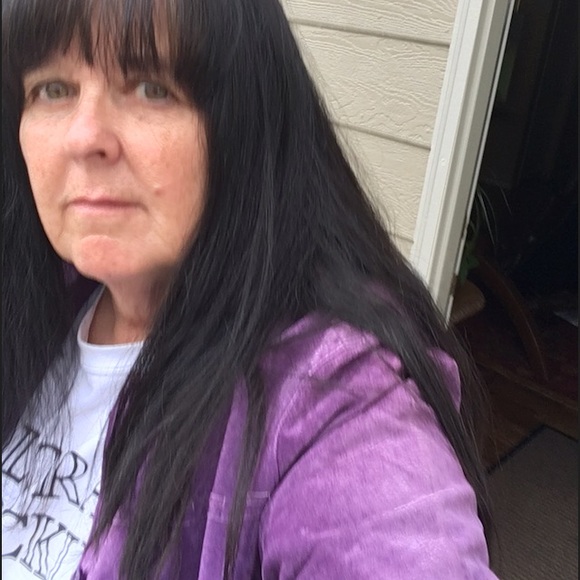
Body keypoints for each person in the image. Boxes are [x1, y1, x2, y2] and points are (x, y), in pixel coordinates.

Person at [2, 0, 497, 578]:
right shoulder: (34, 299)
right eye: (53, 90)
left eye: (151, 88)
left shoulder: (323, 398)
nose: (85, 137)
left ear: (246, 125)